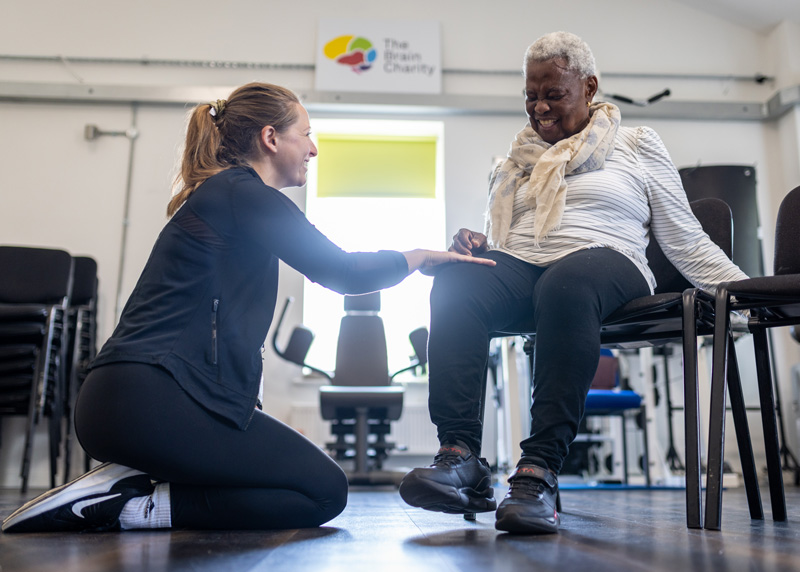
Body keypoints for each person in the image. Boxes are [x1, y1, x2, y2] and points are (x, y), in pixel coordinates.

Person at [1, 82, 495, 533]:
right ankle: (125, 506)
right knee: (322, 490)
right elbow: (346, 273)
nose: (314, 147)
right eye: (306, 133)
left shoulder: (234, 199)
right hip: (145, 401)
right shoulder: (242, 194)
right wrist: (426, 256)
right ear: (270, 138)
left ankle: (132, 482)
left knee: (312, 486)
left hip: (135, 402)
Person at [398, 31, 748, 535]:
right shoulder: (514, 163)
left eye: (553, 94)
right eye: (530, 95)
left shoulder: (636, 145)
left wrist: (746, 297)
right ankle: (461, 459)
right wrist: (475, 244)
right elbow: (504, 236)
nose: (539, 107)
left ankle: (537, 473)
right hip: (525, 262)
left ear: (589, 87)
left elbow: (684, 238)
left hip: (609, 262)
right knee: (456, 283)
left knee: (565, 284)